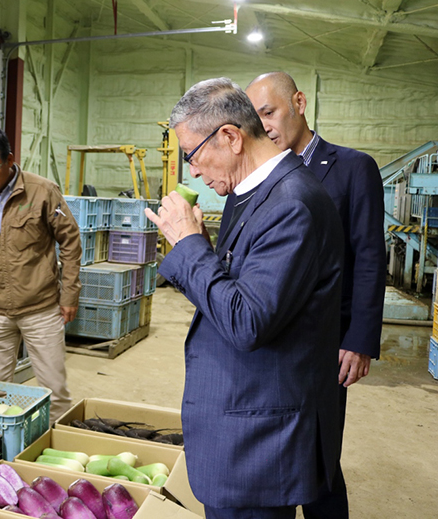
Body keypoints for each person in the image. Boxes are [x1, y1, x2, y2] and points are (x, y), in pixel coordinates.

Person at [147, 78, 344, 519]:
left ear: (231, 137)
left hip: (259, 438)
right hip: (240, 418)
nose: (193, 172)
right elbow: (230, 287)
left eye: (192, 156)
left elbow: (247, 321)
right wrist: (191, 247)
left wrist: (189, 244)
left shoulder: (291, 204)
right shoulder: (250, 194)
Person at [245, 71, 386, 519]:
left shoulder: (352, 167)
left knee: (320, 458)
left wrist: (360, 338)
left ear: (299, 102)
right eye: (257, 117)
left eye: (270, 112)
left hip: (328, 340)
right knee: (279, 452)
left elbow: (369, 256)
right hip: (273, 337)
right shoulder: (261, 175)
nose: (264, 125)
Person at [0, 125, 81, 423]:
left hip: (41, 309)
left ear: (10, 159)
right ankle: (5, 447)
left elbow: (70, 241)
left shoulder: (42, 192)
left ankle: (57, 441)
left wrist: (70, 293)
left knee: (54, 389)